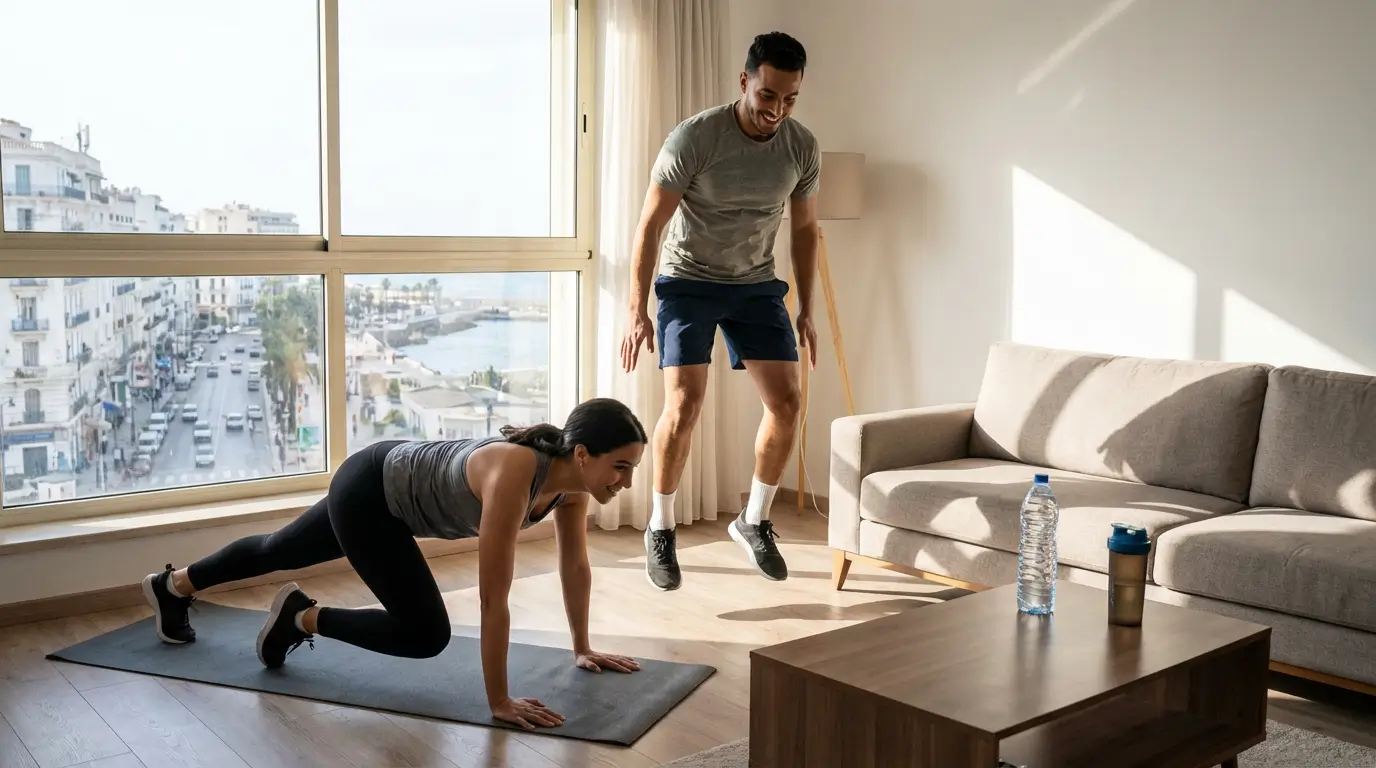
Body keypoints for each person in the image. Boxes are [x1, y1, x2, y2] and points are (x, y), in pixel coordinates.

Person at [140, 398, 648, 731]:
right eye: (619, 467)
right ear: (582, 453)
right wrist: (500, 701)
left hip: (386, 485)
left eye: (631, 469)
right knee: (426, 634)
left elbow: (575, 567)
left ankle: (175, 585)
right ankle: (297, 616)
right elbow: (494, 598)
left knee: (279, 549)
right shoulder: (515, 473)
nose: (623, 481)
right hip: (371, 491)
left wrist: (581, 647)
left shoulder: (572, 489)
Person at [620, 31, 819, 591]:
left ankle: (753, 519)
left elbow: (805, 231)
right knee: (685, 403)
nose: (776, 111)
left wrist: (806, 306)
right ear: (744, 82)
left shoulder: (801, 147)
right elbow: (650, 226)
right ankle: (660, 528)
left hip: (755, 284)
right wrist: (638, 309)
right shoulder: (695, 138)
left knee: (786, 403)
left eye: (789, 99)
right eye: (767, 96)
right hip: (688, 282)